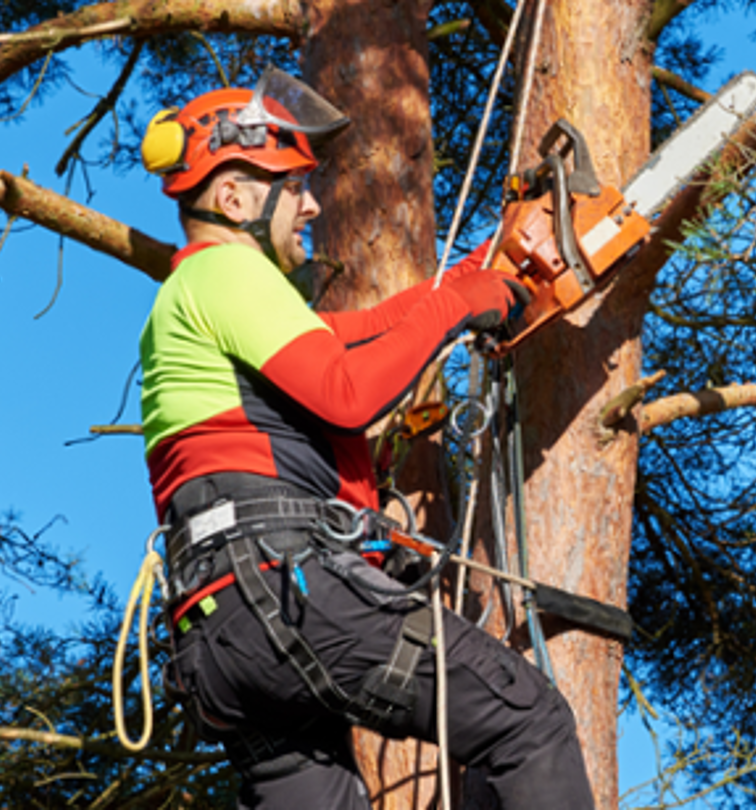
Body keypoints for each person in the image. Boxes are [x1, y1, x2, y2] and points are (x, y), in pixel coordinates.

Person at [136, 67, 595, 809]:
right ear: (232, 198)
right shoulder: (225, 271)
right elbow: (347, 392)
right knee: (526, 722)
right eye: (295, 187)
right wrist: (454, 307)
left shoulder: (195, 302)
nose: (312, 204)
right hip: (282, 590)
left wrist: (475, 276)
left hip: (223, 639)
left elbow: (353, 337)